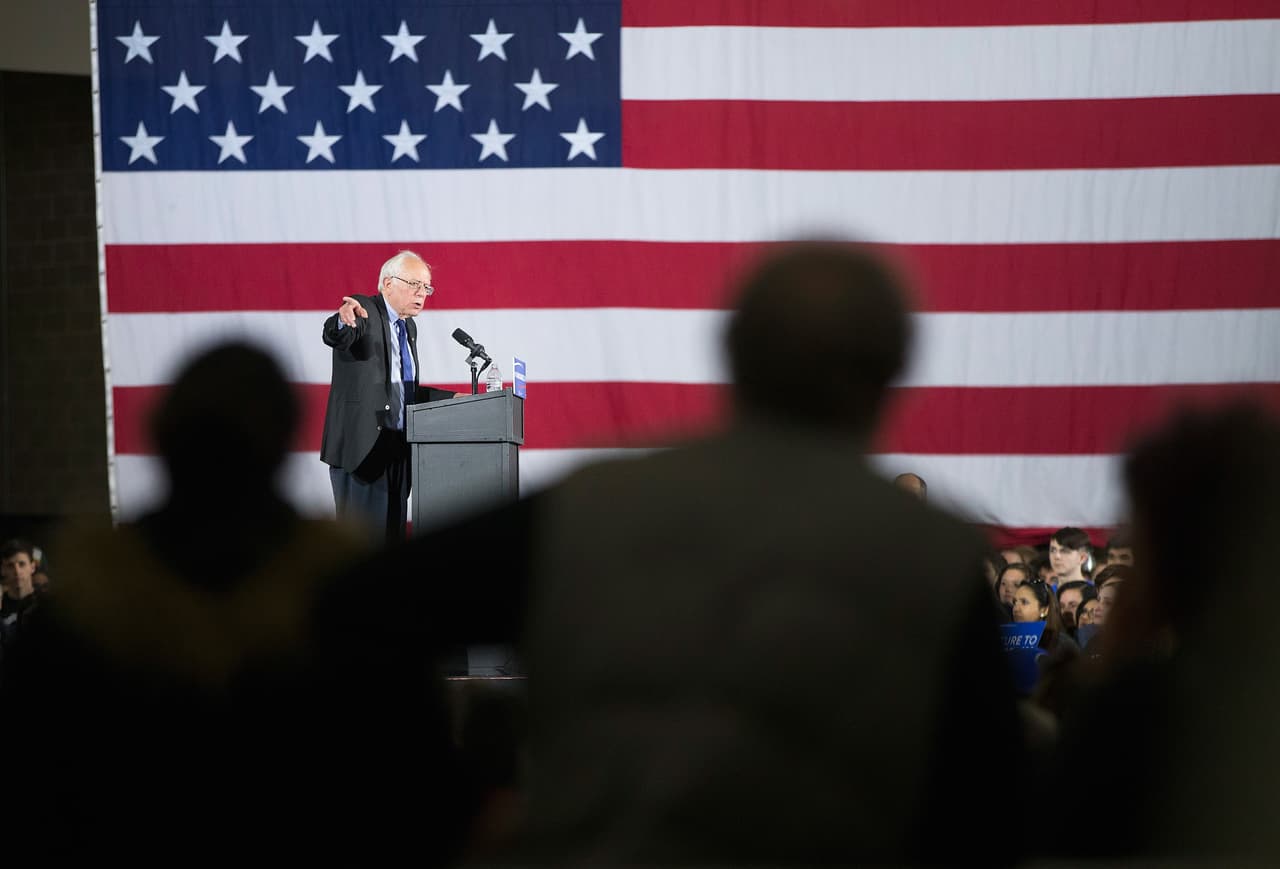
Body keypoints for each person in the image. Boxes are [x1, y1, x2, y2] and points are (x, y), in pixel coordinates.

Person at [497, 243, 1022, 864]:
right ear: (891, 374)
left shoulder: (588, 506)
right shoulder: (937, 556)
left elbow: (368, 612)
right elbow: (988, 813)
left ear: (734, 352)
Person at [320, 250, 460, 542]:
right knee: (358, 549)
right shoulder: (366, 311)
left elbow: (402, 391)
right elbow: (336, 334)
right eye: (414, 284)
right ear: (387, 284)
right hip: (362, 451)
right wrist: (343, 321)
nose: (422, 293)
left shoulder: (408, 327)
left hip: (398, 452)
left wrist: (453, 399)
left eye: (427, 287)